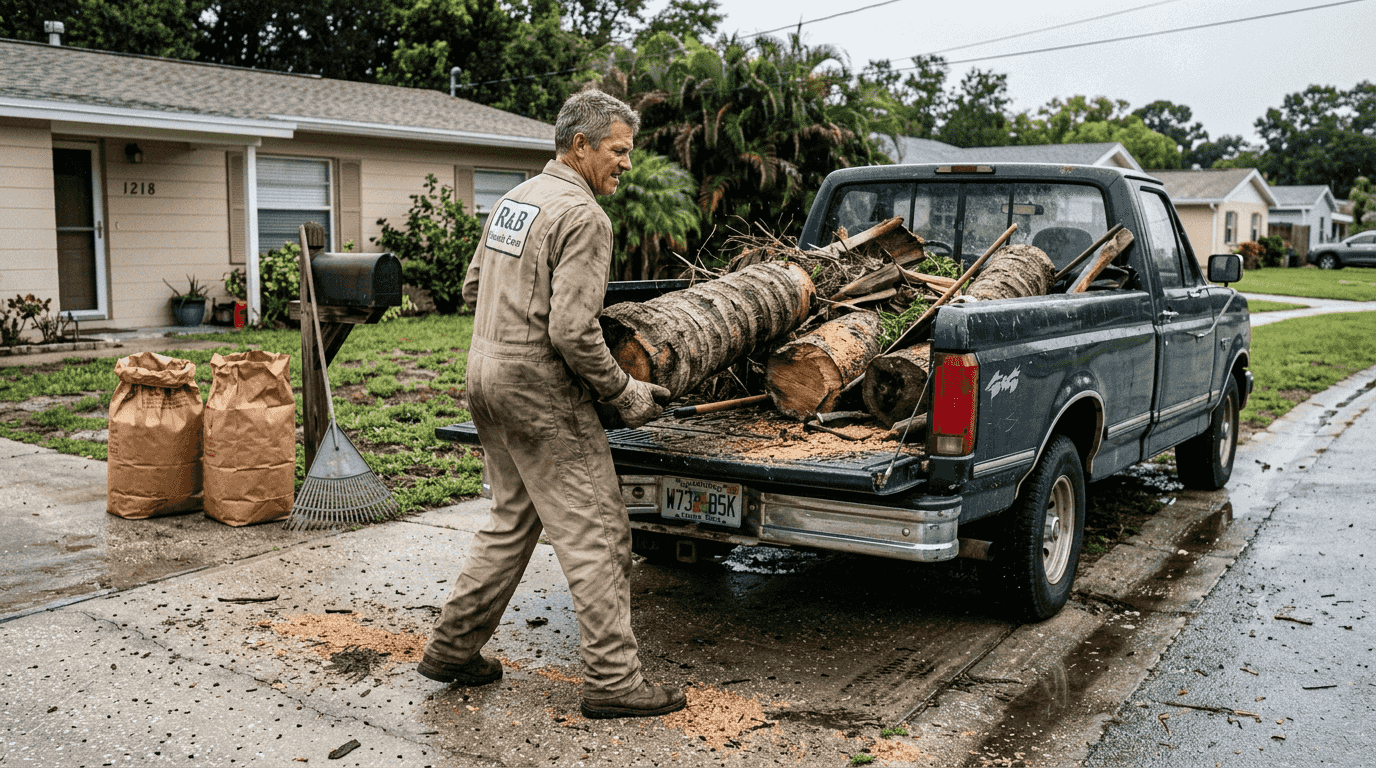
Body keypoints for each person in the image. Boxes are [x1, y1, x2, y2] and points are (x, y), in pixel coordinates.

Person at [418, 89, 685, 720]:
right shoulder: (585, 216)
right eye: (618, 152)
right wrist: (624, 392)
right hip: (540, 389)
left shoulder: (514, 201)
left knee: (513, 518)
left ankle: (454, 648)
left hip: (485, 373)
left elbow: (472, 286)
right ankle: (614, 679)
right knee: (598, 529)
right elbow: (571, 330)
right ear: (582, 145)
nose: (626, 164)